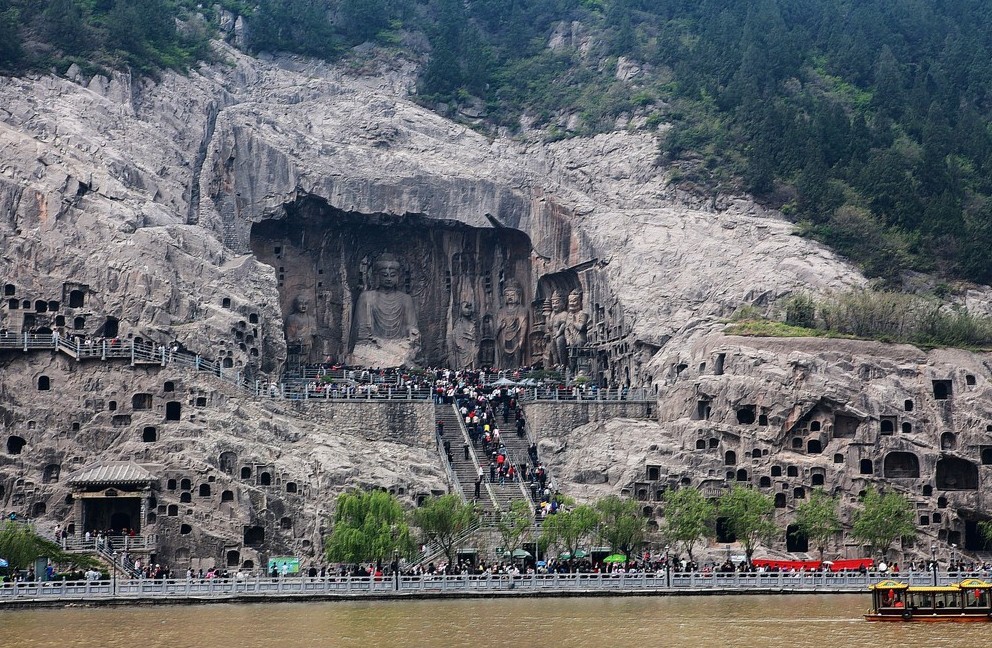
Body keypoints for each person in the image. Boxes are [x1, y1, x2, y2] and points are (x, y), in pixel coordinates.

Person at [350, 254, 420, 366]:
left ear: (398, 277)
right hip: (373, 345)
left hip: (399, 344)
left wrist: (413, 332)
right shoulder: (367, 297)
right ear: (377, 276)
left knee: (407, 349)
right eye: (384, 275)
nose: (388, 279)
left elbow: (411, 326)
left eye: (392, 275)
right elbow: (362, 330)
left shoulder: (406, 299)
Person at [494, 280, 528, 369]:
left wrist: (521, 339)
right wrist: (500, 327)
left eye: (512, 295)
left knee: (517, 358)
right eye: (507, 295)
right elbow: (497, 329)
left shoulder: (522, 310)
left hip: (516, 337)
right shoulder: (501, 311)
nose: (510, 297)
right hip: (503, 338)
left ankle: (516, 373)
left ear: (518, 296)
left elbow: (523, 325)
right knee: (504, 359)